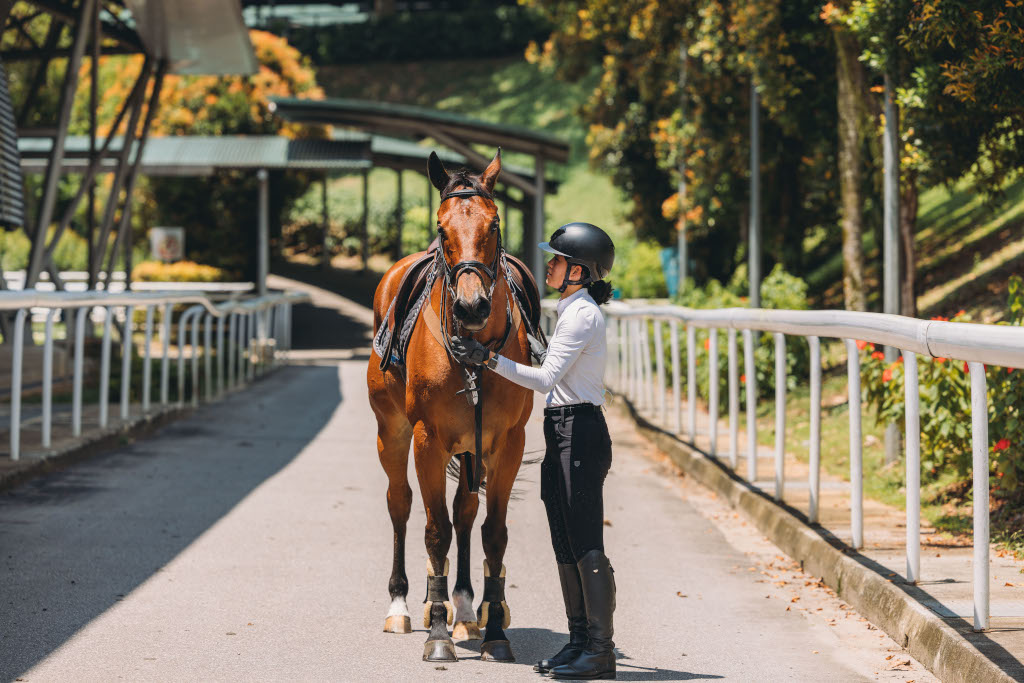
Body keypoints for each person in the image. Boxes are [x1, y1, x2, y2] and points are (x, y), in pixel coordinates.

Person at [451, 222, 617, 681]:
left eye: (558, 259)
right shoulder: (569, 308)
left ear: (579, 272)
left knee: (585, 543)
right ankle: (579, 641)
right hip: (563, 430)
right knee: (564, 541)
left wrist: (487, 359)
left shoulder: (581, 314)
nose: (550, 264)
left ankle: (600, 651)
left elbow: (544, 380)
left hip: (580, 432)